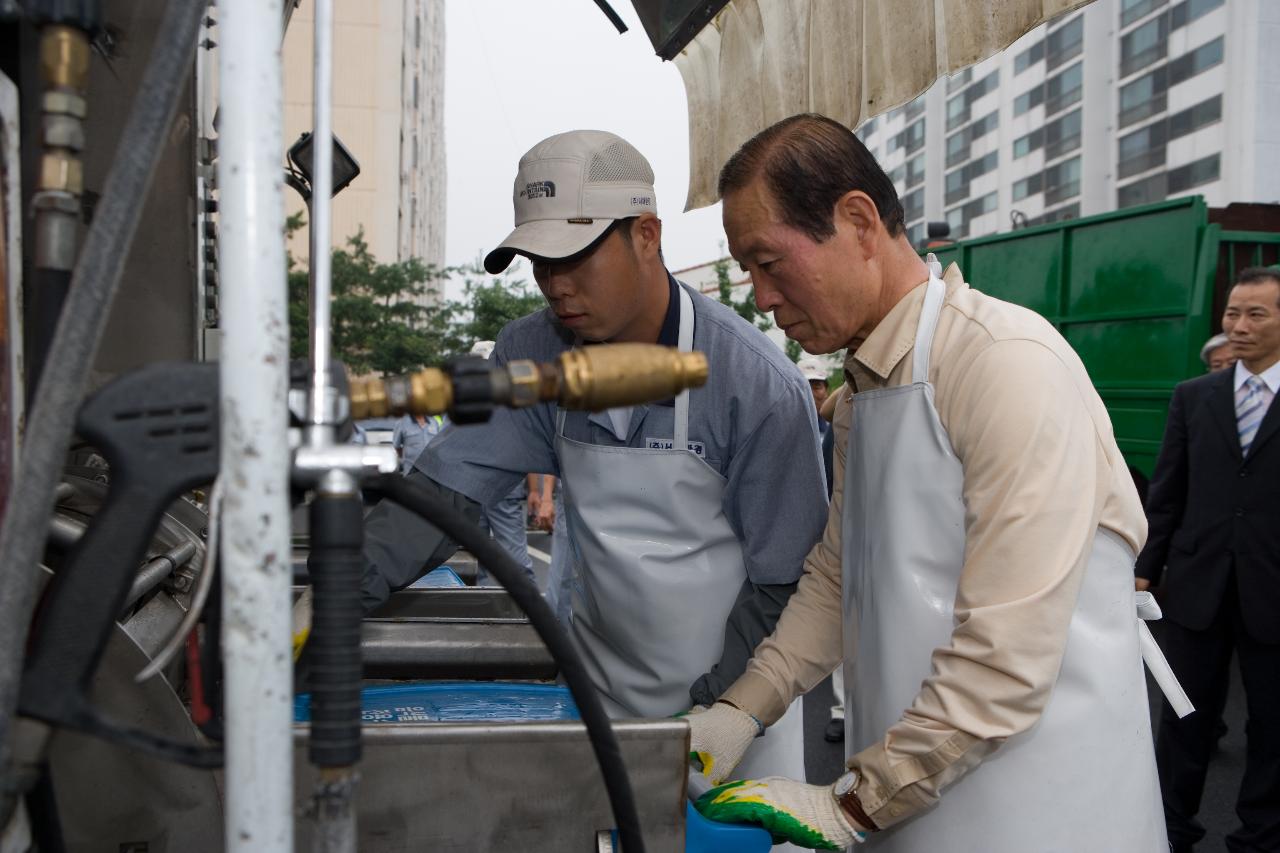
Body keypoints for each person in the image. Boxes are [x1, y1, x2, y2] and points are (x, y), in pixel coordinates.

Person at [686, 114, 1169, 851]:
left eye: (768, 263)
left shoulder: (1005, 361)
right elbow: (836, 580)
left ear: (857, 220)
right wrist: (744, 707)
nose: (761, 298)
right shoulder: (862, 394)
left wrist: (853, 804)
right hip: (913, 793)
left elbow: (1004, 653)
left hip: (1045, 808)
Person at [357, 130, 827, 800]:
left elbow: (786, 585)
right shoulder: (533, 351)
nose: (555, 285)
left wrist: (707, 714)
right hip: (596, 701)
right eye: (539, 265)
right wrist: (337, 590)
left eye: (573, 258)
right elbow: (446, 490)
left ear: (646, 235)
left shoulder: (751, 384)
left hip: (730, 726)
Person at [1135, 267, 1280, 853]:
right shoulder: (1194, 397)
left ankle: (1262, 837)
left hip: (1273, 590)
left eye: (1256, 315)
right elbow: (1166, 493)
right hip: (1197, 587)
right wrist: (1146, 567)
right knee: (1183, 719)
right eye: (1232, 314)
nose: (1239, 327)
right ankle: (1169, 829)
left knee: (1272, 727)